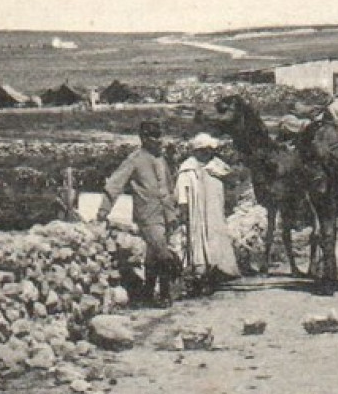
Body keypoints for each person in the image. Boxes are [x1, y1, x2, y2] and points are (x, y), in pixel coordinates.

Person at [99, 120, 180, 306]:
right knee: (163, 253)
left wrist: (173, 213)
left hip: (165, 214)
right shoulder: (134, 160)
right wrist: (103, 210)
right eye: (153, 137)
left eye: (159, 136)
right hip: (147, 215)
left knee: (152, 255)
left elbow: (168, 186)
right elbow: (115, 184)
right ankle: (166, 295)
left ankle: (148, 294)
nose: (158, 141)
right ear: (143, 138)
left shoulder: (161, 159)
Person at [175, 133, 241, 295]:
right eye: (203, 150)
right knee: (197, 242)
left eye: (209, 150)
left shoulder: (217, 166)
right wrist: (183, 209)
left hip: (214, 212)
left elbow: (232, 180)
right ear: (196, 151)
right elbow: (182, 192)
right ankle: (199, 276)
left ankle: (216, 273)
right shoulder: (188, 168)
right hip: (196, 213)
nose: (207, 153)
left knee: (216, 240)